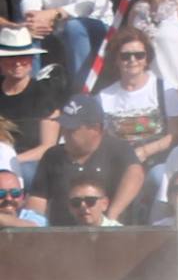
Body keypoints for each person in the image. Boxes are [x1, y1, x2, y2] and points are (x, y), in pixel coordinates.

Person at [29, 95, 144, 226]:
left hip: (111, 237)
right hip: (63, 237)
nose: (65, 133)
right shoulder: (52, 156)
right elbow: (37, 200)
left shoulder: (118, 149)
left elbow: (135, 175)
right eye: (64, 127)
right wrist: (34, 225)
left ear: (95, 129)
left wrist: (111, 216)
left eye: (72, 129)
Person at [97, 28, 178, 168]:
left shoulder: (166, 90)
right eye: (125, 56)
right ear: (116, 60)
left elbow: (176, 134)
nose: (133, 60)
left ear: (147, 59)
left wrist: (144, 151)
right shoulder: (103, 97)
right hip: (118, 163)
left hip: (157, 161)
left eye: (139, 55)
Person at [0, 28, 60, 186]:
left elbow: (48, 146)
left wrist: (12, 161)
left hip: (29, 162)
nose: (18, 63)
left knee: (26, 173)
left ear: (32, 59)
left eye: (24, 57)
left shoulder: (44, 93)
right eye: (11, 57)